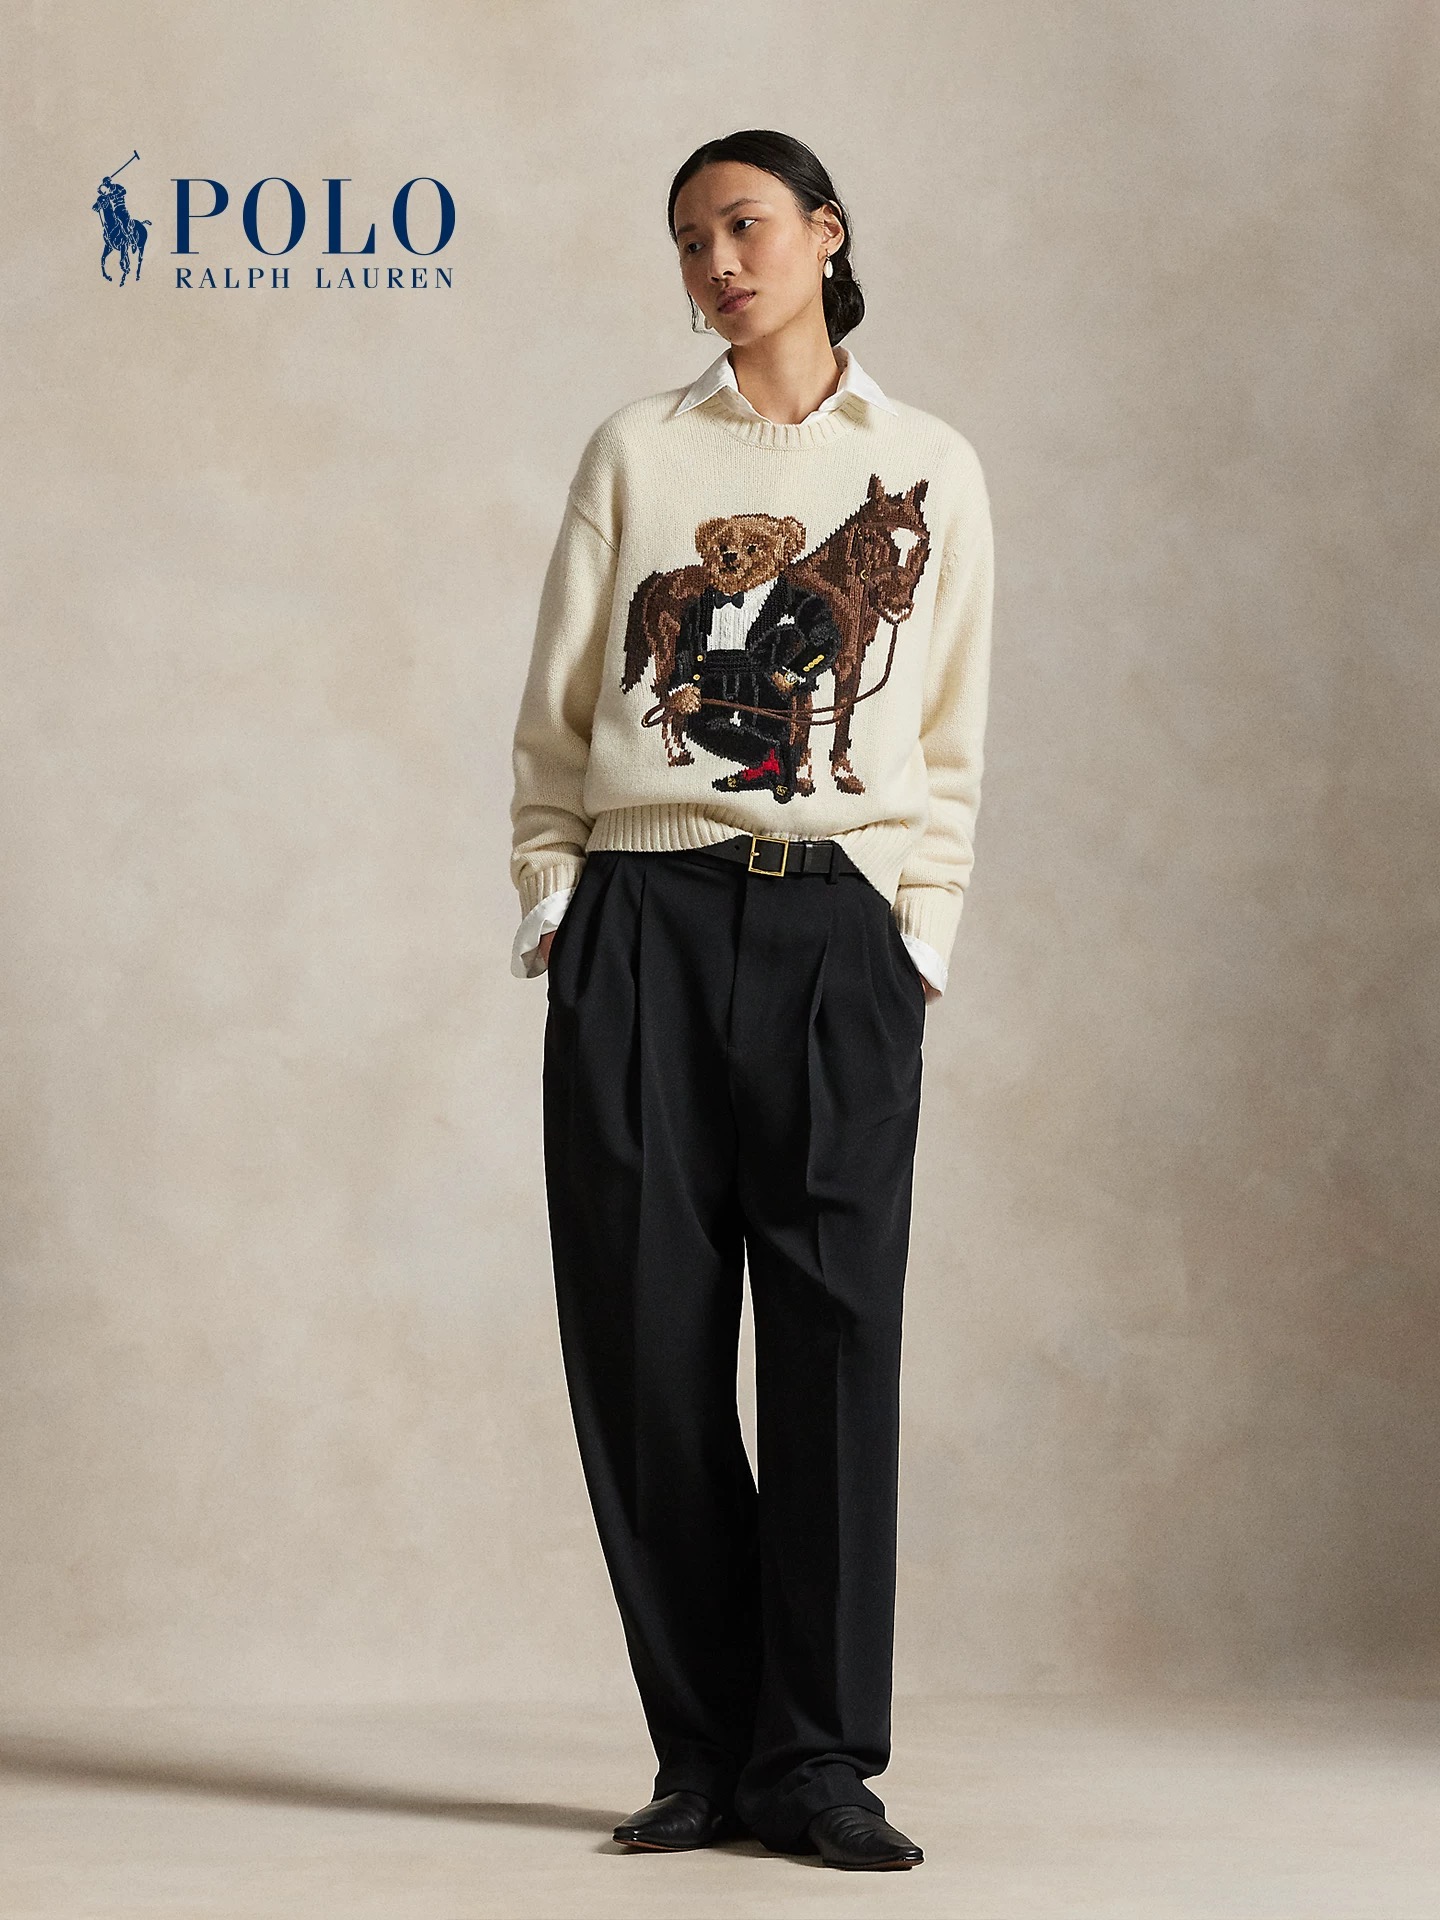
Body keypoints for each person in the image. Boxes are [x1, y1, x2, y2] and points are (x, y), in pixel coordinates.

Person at [507, 128, 994, 1873]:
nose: (717, 262)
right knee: (643, 1344)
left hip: (838, 932)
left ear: (825, 235)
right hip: (643, 917)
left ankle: (819, 1764)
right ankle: (705, 1752)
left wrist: (917, 933)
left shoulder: (928, 465)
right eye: (690, 239)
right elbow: (561, 703)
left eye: (746, 226)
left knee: (835, 1341)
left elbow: (950, 727)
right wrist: (558, 898)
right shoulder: (638, 452)